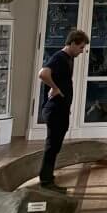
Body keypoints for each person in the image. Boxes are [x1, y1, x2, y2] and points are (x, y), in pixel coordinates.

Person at [37, 29, 89, 192]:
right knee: (52, 146)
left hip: (61, 109)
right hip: (55, 110)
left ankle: (48, 177)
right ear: (73, 43)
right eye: (81, 47)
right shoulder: (59, 57)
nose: (82, 51)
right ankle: (46, 181)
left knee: (55, 145)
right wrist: (55, 88)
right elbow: (43, 73)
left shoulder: (68, 59)